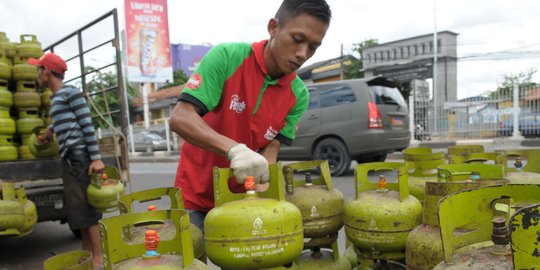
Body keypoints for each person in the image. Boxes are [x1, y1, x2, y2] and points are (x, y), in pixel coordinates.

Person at [169, 0, 332, 232]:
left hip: (246, 202)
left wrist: (265, 189)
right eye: (297, 39)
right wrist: (235, 150)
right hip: (195, 197)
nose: (302, 54)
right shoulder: (226, 58)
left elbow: (271, 151)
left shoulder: (298, 95)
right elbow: (181, 117)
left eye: (313, 47)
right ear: (274, 27)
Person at [28, 52, 105, 268]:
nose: (37, 74)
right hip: (70, 159)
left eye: (38, 69)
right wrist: (50, 132)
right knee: (78, 211)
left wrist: (96, 158)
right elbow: (66, 121)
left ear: (47, 72)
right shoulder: (57, 98)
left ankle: (98, 259)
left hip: (79, 157)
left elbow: (86, 125)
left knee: (88, 210)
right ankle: (87, 254)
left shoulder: (70, 93)